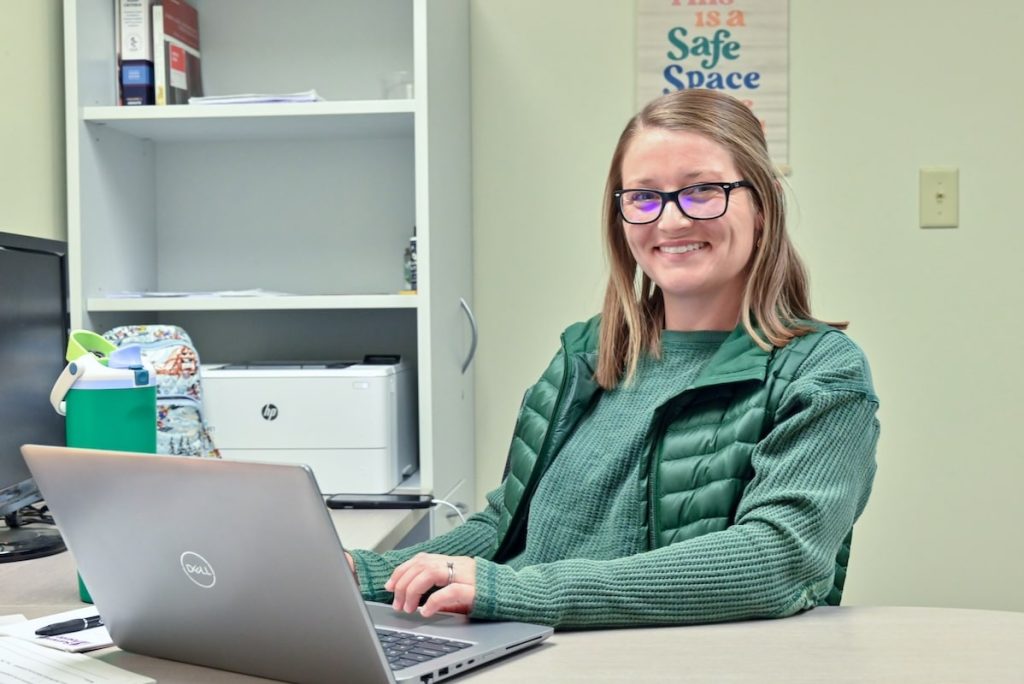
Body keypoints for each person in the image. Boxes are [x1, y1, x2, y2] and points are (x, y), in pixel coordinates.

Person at [346, 88, 879, 629]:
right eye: (643, 197)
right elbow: (508, 527)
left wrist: (518, 591)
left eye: (703, 191)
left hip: (673, 661)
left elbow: (778, 560)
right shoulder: (588, 352)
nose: (671, 221)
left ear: (763, 207)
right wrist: (361, 574)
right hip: (531, 644)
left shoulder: (822, 373)